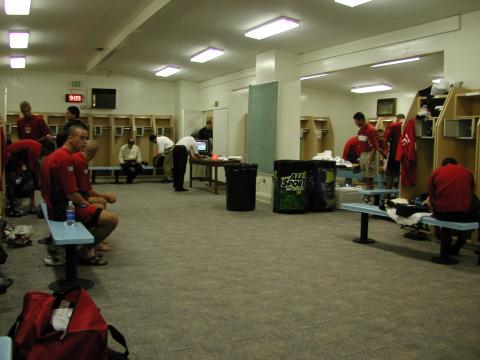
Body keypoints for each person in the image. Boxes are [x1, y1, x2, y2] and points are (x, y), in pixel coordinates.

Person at [41, 123, 118, 265]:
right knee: (112, 219)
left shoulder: (56, 155)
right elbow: (72, 194)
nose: (85, 141)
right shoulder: (65, 159)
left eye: (86, 138)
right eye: (81, 138)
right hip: (63, 209)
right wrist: (88, 205)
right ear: (70, 138)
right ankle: (84, 251)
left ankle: (86, 245)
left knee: (98, 207)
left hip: (55, 205)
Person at [72, 140, 117, 251]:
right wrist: (106, 196)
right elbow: (87, 191)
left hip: (74, 198)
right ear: (95, 153)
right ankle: (87, 248)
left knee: (101, 203)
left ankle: (95, 237)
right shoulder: (80, 162)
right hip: (71, 203)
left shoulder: (78, 158)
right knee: (110, 216)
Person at [429, 158, 478, 256]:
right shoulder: (467, 172)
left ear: (443, 165)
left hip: (443, 214)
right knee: (475, 217)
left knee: (437, 219)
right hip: (464, 215)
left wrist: (435, 210)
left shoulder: (436, 172)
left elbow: (432, 197)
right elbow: (472, 193)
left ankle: (446, 246)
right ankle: (457, 247)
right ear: (457, 164)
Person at [353, 112, 382, 202]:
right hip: (364, 154)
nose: (355, 123)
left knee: (370, 177)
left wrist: (370, 160)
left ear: (361, 120)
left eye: (356, 121)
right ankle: (368, 195)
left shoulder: (371, 130)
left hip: (371, 153)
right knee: (365, 177)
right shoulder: (360, 131)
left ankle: (369, 197)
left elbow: (374, 146)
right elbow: (361, 144)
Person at [383, 113, 405, 188]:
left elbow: (385, 139)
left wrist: (383, 150)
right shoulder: (407, 125)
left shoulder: (393, 126)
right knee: (401, 174)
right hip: (404, 155)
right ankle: (399, 194)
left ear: (397, 118)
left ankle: (387, 195)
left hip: (393, 154)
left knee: (390, 175)